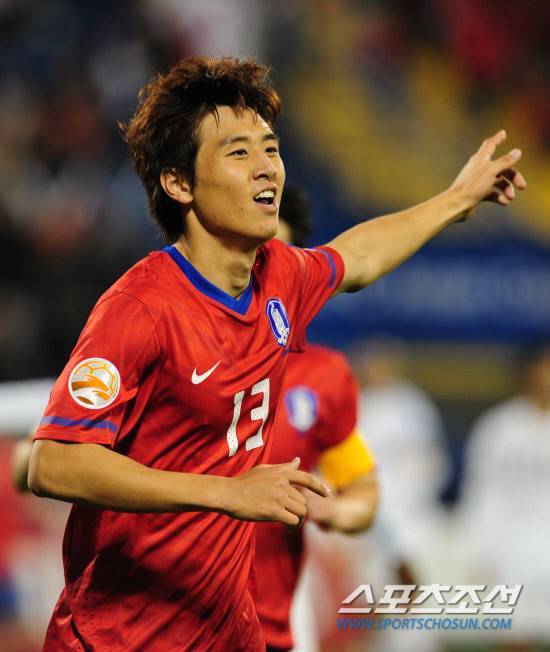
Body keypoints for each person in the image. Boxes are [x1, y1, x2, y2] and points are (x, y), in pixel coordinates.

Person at [27, 55, 525, 652]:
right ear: (179, 183)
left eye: (271, 148)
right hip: (119, 639)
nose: (267, 167)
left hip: (228, 633)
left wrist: (457, 198)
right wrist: (225, 491)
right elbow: (53, 464)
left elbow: (358, 257)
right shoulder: (140, 309)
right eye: (238, 153)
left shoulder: (279, 276)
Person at [253, 187, 379, 652]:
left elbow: (362, 491)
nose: (264, 275)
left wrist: (338, 511)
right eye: (254, 257)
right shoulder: (169, 340)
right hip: (168, 610)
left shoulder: (324, 377)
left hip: (273, 619)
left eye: (278, 261)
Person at [459, 343, 550, 647]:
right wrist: (480, 546)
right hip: (510, 541)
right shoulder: (499, 427)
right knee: (513, 632)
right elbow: (480, 490)